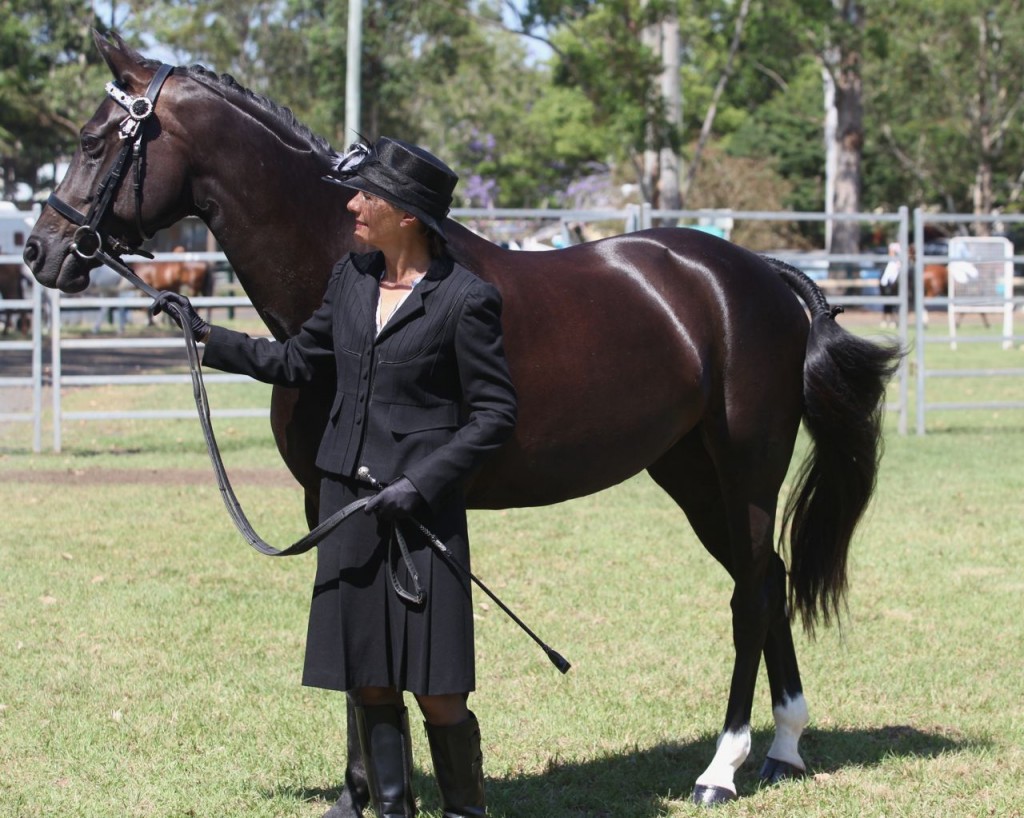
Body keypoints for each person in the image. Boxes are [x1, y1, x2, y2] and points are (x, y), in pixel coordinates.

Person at [152, 136, 518, 818]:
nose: (353, 203)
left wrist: (423, 483)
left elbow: (495, 415)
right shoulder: (351, 277)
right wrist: (205, 337)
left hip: (419, 513)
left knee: (439, 690)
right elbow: (296, 362)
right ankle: (391, 809)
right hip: (347, 506)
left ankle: (466, 813)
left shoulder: (466, 300)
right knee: (369, 679)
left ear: (406, 214)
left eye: (367, 195)